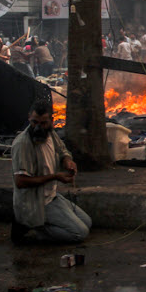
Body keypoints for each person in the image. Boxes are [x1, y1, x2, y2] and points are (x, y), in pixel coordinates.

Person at [11, 101, 91, 244]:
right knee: (80, 233)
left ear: (51, 121)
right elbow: (21, 181)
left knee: (87, 222)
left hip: (52, 196)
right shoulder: (23, 144)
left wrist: (67, 161)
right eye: (34, 122)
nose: (38, 127)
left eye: (43, 123)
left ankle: (41, 223)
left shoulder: (51, 133)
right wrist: (55, 176)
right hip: (36, 202)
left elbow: (62, 151)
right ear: (29, 118)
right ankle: (32, 226)